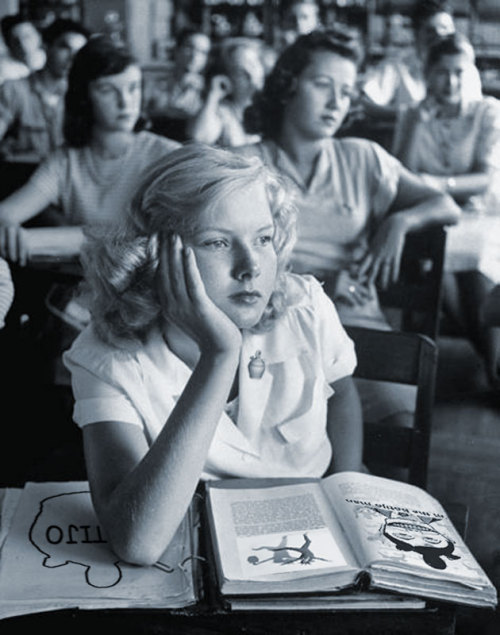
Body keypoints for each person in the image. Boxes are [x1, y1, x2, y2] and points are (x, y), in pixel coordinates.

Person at [62, 143, 363, 565]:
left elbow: (343, 393)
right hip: (193, 552)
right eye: (217, 242)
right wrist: (219, 355)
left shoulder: (305, 306)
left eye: (262, 239)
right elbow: (137, 542)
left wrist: (348, 485)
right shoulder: (106, 358)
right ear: (155, 255)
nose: (250, 266)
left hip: (312, 535)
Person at [236, 29, 461, 430]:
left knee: (400, 421)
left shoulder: (363, 158)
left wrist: (400, 220)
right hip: (267, 329)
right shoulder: (245, 166)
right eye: (323, 85)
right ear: (287, 86)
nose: (337, 101)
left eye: (346, 89)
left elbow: (444, 205)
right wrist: (319, 283)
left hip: (356, 328)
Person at [0, 35, 180, 265]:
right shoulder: (66, 159)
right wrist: (7, 228)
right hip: (84, 287)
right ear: (83, 96)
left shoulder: (167, 157)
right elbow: (5, 214)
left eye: (133, 88)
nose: (125, 102)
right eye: (107, 90)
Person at [392, 33, 500, 386]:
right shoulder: (411, 115)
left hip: (483, 214)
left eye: (460, 71)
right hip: (432, 217)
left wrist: (436, 183)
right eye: (442, 72)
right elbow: (400, 177)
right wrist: (418, 124)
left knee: (476, 259)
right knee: (444, 263)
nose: (451, 81)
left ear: (471, 72)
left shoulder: (487, 111)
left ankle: (494, 362)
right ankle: (494, 362)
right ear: (428, 73)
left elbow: (484, 180)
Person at [360, 0, 481, 122]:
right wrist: (407, 117)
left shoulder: (467, 68)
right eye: (430, 30)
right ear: (416, 34)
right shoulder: (396, 65)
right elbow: (365, 103)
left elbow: (476, 113)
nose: (440, 36)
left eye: (445, 28)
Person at [0, 17, 89, 162]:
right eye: (65, 48)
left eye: (79, 52)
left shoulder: (82, 96)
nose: (73, 57)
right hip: (19, 178)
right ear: (46, 46)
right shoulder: (13, 90)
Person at [186, 37, 265, 147]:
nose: (250, 74)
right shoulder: (223, 111)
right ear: (227, 77)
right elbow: (199, 138)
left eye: (253, 64)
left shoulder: (268, 108)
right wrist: (213, 95)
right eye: (239, 70)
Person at [144, 28, 211, 127]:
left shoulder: (208, 91)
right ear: (177, 49)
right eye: (189, 48)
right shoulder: (154, 85)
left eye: (202, 52)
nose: (195, 56)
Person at [0, 14, 45, 84]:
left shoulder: (48, 58)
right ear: (7, 44)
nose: (23, 45)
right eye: (16, 41)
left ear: (39, 37)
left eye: (27, 37)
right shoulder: (3, 69)